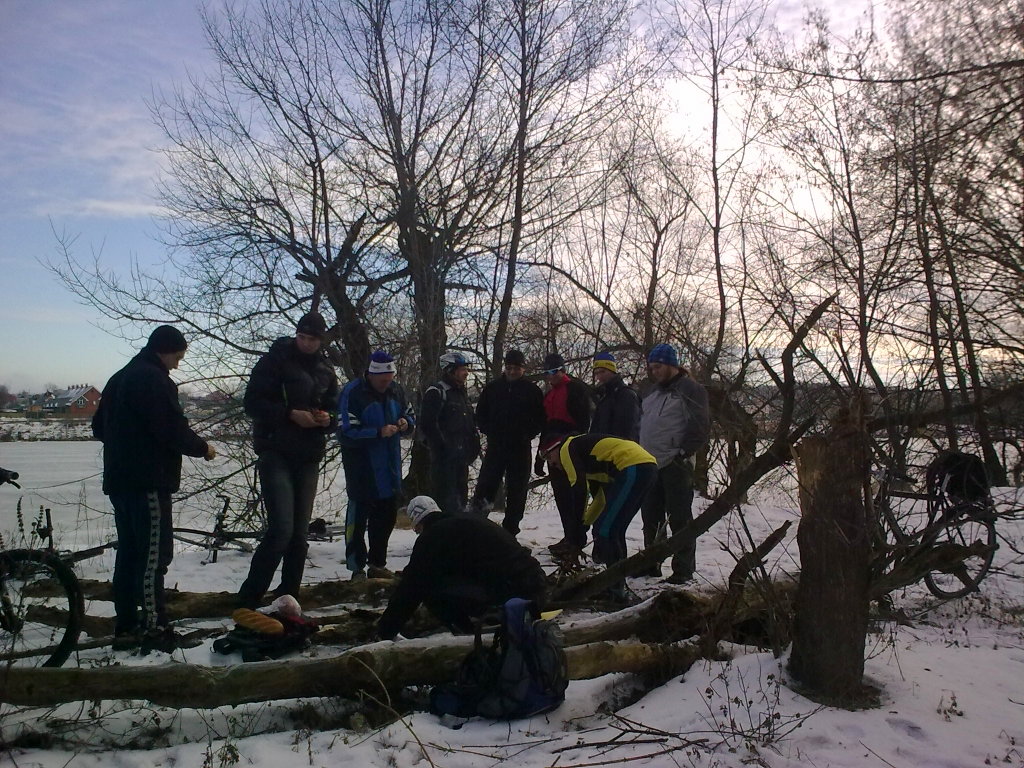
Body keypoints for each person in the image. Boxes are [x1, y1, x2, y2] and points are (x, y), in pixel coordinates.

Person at [92, 325, 216, 652]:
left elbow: (98, 427)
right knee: (153, 557)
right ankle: (154, 627)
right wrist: (203, 448)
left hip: (119, 481)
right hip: (147, 480)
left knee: (129, 555)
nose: (177, 364)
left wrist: (125, 442)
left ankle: (126, 627)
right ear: (165, 350)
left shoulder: (119, 378)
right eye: (178, 356)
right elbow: (171, 429)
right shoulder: (154, 379)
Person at [236, 312, 339, 608]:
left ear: (321, 340)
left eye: (312, 339)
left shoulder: (326, 370)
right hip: (275, 450)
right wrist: (289, 414)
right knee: (281, 528)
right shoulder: (274, 361)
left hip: (309, 453)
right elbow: (252, 403)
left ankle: (289, 596)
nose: (306, 343)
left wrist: (326, 419)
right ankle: (250, 596)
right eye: (302, 337)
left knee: (299, 534)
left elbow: (335, 410)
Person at [377, 496, 548, 640]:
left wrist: (385, 631)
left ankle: (468, 633)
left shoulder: (432, 537)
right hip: (535, 584)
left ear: (418, 524)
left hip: (513, 594)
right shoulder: (467, 521)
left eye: (417, 531)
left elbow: (410, 588)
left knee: (429, 589)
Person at [337, 349, 415, 580]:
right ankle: (356, 567)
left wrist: (405, 423)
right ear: (371, 375)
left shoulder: (397, 390)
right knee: (358, 520)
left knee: (386, 518)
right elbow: (345, 431)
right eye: (382, 380)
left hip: (390, 468)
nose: (386, 384)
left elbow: (411, 414)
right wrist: (377, 432)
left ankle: (377, 564)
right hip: (361, 468)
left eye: (389, 379)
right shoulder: (353, 392)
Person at [638, 343, 710, 584]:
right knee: (651, 517)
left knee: (679, 517)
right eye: (652, 368)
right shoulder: (652, 392)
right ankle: (651, 563)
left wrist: (683, 452)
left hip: (676, 463)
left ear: (671, 365)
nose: (654, 371)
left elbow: (700, 424)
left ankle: (683, 568)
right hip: (649, 462)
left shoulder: (691, 389)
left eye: (658, 367)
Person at [541, 434, 656, 576]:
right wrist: (583, 525)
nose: (551, 464)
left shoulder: (567, 448)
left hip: (633, 465)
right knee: (615, 529)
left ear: (556, 447)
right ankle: (619, 576)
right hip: (645, 466)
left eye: (548, 457)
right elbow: (600, 500)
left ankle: (615, 582)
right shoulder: (589, 461)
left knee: (605, 531)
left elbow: (579, 488)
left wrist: (575, 530)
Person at [467, 349, 545, 535]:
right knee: (486, 485)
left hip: (520, 447)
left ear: (523, 369)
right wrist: (488, 429)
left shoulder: (532, 391)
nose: (512, 372)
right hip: (496, 446)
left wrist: (528, 433)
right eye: (509, 368)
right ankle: (476, 525)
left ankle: (511, 529)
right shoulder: (493, 388)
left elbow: (540, 418)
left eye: (516, 368)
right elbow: (481, 414)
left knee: (517, 489)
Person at [538, 352, 591, 556]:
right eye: (547, 373)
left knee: (574, 495)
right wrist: (540, 456)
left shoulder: (575, 388)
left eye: (554, 371)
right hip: (551, 450)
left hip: (570, 448)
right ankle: (569, 535)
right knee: (561, 495)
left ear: (562, 370)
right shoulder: (549, 394)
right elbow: (545, 425)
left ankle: (577, 537)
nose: (551, 376)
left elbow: (583, 422)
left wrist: (576, 446)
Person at [418, 351, 480, 516]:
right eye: (462, 369)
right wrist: (442, 448)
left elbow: (469, 424)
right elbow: (427, 424)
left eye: (466, 369)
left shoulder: (461, 393)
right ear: (450, 371)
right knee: (446, 504)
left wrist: (474, 445)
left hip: (462, 460)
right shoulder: (436, 392)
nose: (466, 373)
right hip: (444, 462)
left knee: (461, 503)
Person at [589, 351, 640, 441]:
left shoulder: (625, 395)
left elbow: (628, 429)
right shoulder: (603, 397)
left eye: (603, 372)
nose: (600, 377)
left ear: (612, 371)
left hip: (617, 446)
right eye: (597, 373)